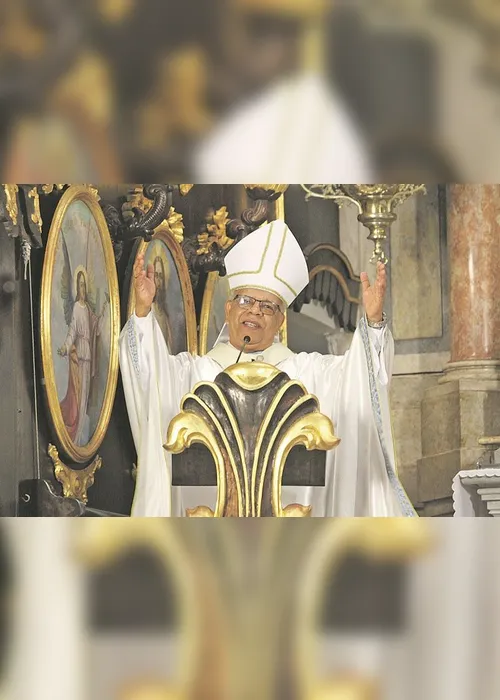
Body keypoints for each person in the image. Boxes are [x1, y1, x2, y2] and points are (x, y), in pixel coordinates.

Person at [119, 220, 415, 517]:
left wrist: (373, 322)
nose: (254, 311)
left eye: (267, 306)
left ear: (280, 321)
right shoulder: (194, 374)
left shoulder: (306, 374)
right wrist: (143, 312)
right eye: (245, 300)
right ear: (229, 309)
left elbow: (358, 380)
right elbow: (151, 378)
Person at [58, 270, 108, 446]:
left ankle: (80, 436)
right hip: (79, 353)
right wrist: (65, 347)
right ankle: (76, 435)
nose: (83, 289)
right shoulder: (76, 309)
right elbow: (72, 331)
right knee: (78, 394)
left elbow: (97, 327)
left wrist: (104, 310)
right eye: (80, 285)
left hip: (87, 355)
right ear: (76, 288)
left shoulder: (87, 308)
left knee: (85, 395)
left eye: (84, 285)